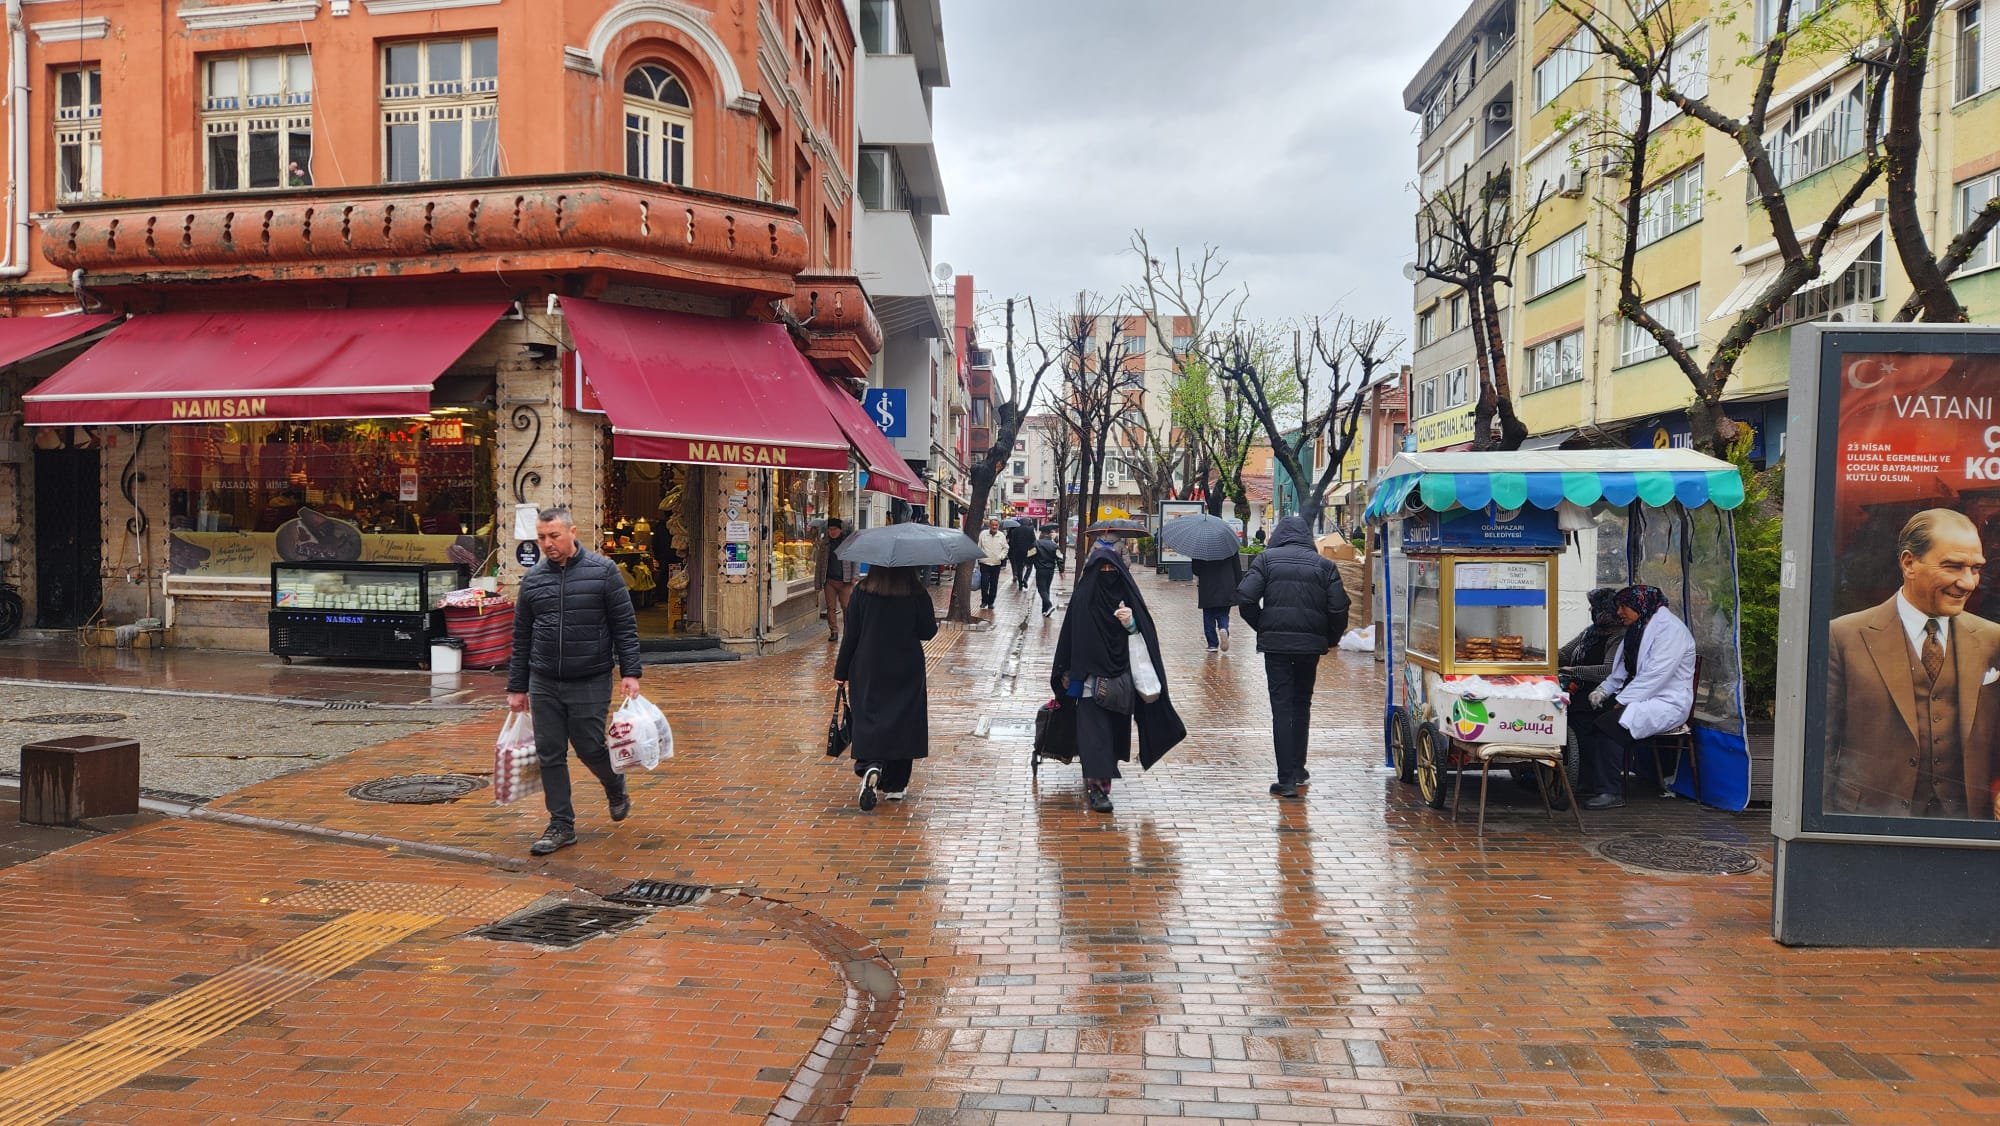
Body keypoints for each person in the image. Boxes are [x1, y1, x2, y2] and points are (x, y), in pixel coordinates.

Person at [1825, 509, 2000, 819]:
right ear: (1909, 563)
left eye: (1975, 568)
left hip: (1966, 828)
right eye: (1953, 566)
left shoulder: (1992, 639)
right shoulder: (1844, 636)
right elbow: (1822, 746)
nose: (1968, 583)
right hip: (1870, 824)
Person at [506, 507, 644, 856]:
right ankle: (561, 824)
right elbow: (521, 637)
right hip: (544, 679)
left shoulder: (603, 572)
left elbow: (624, 627)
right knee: (550, 752)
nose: (547, 544)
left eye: (553, 536)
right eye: (541, 537)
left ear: (572, 532)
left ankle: (614, 784)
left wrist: (630, 673)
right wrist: (517, 687)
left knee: (588, 745)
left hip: (591, 676)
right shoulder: (534, 579)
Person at [1051, 540, 1186, 812]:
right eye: (1101, 571)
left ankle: (1100, 781)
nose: (1107, 577)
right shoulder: (1083, 597)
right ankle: (1098, 789)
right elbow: (1069, 638)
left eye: (1112, 571)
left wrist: (1131, 623)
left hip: (1120, 680)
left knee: (1110, 735)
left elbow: (1145, 635)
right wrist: (1066, 673)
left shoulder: (1129, 597)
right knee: (1094, 734)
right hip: (1088, 680)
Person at [1235, 515, 1349, 798]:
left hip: (1276, 648)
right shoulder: (1324, 566)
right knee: (1302, 703)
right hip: (1310, 647)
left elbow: (1246, 598)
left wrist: (1264, 626)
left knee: (1282, 708)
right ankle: (1298, 768)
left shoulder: (1266, 560)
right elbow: (1338, 609)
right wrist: (1329, 638)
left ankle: (1286, 779)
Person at [1578, 584, 1697, 810]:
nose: (1619, 612)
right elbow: (1621, 670)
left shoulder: (1671, 631)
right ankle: (1590, 781)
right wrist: (1602, 691)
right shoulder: (1637, 630)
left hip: (1666, 702)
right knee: (1583, 715)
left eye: (1623, 607)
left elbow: (1656, 676)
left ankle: (1610, 791)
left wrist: (1621, 701)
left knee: (1610, 725)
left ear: (1640, 605)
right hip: (1641, 696)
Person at [834, 565, 939, 809]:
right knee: (904, 721)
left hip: (868, 666)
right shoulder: (916, 592)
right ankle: (895, 784)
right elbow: (928, 631)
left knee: (869, 716)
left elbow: (851, 635)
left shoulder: (862, 591)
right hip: (906, 667)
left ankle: (871, 763)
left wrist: (841, 672)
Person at [1558, 587, 1626, 734]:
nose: (1590, 610)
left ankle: (1579, 755)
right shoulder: (1591, 632)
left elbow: (1607, 671)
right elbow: (1565, 654)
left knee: (1570, 711)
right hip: (1578, 687)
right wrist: (1545, 659)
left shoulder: (1620, 636)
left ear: (1607, 611)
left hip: (1601, 694)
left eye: (1594, 607)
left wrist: (1573, 671)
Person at [814, 517, 859, 644]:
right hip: (830, 581)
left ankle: (848, 631)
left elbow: (855, 560)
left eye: (834, 529)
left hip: (846, 581)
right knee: (831, 607)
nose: (832, 532)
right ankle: (833, 631)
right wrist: (818, 581)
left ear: (840, 530)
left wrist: (854, 576)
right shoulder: (825, 544)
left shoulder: (848, 542)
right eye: (829, 529)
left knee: (846, 607)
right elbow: (820, 563)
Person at [1192, 549, 1243, 654]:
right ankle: (1223, 628)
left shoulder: (1201, 547)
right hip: (1226, 585)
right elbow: (1237, 568)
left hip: (1207, 585)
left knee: (1208, 615)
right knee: (1223, 613)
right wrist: (1239, 585)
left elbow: (1195, 569)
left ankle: (1212, 644)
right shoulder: (1230, 546)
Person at [1032, 523, 1064, 618]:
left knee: (1041, 589)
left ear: (1042, 533)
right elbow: (1060, 557)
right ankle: (1045, 610)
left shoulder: (1036, 543)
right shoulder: (1054, 545)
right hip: (1050, 570)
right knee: (1046, 588)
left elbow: (1030, 555)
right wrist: (1061, 570)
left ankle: (1049, 605)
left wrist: (1030, 563)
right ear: (1049, 534)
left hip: (1040, 569)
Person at [976, 517, 1009, 610]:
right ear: (989, 525)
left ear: (998, 526)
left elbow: (1006, 548)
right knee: (984, 583)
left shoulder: (1001, 535)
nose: (994, 527)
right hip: (984, 563)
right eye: (993, 525)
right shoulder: (983, 534)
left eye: (996, 525)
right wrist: (979, 557)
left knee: (994, 584)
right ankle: (984, 601)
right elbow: (979, 546)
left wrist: (1001, 556)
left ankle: (991, 602)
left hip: (996, 563)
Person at [1007, 518, 1037, 591]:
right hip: (1028, 552)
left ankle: (1020, 585)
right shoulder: (1030, 530)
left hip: (1018, 552)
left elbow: (1012, 542)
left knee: (1019, 568)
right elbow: (1034, 541)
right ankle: (1025, 579)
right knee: (1029, 566)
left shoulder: (1015, 530)